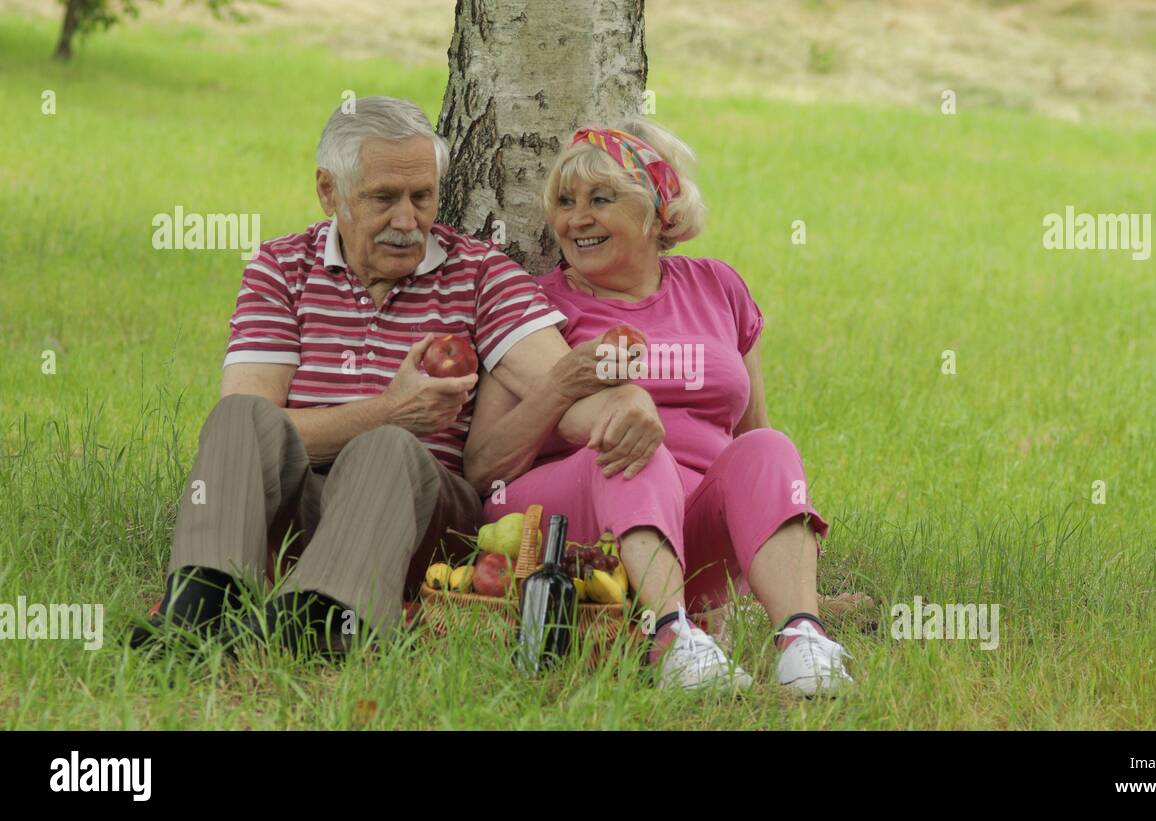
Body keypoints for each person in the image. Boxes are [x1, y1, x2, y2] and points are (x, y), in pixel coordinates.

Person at [128, 97, 664, 657]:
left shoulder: (480, 274)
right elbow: (254, 432)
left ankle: (322, 621)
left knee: (387, 447)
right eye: (383, 199)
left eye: (422, 197)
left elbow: (562, 385)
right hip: (304, 509)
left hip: (417, 514)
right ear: (329, 191)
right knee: (239, 416)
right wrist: (390, 410)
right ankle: (197, 608)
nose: (407, 222)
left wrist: (627, 403)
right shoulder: (281, 268)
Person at [465, 120, 853, 695]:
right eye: (566, 202)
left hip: (689, 526)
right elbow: (483, 468)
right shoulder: (535, 306)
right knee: (632, 442)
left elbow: (751, 440)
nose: (576, 219)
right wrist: (569, 392)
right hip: (575, 520)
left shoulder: (718, 287)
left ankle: (802, 640)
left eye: (600, 199)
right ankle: (672, 639)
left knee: (769, 447)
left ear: (657, 209)